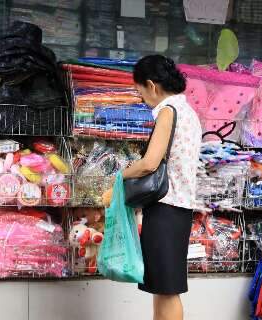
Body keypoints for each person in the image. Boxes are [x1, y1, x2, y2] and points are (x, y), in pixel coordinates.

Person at [103, 55, 202, 320]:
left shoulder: (168, 111)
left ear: (151, 85)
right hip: (177, 208)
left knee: (168, 289)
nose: (142, 98)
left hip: (166, 208)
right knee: (162, 286)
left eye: (140, 91)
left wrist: (119, 177)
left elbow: (149, 163)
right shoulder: (188, 111)